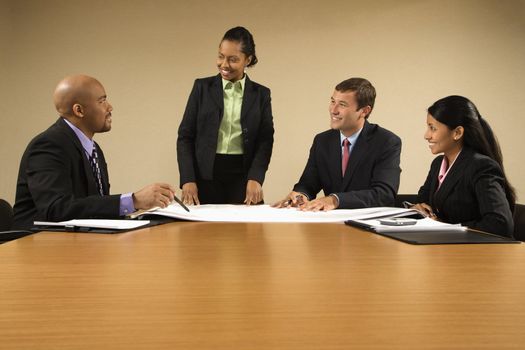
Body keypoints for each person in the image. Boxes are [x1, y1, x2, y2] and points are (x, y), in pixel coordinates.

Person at [12, 74, 177, 230]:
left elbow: (93, 207)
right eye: (102, 101)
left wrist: (144, 217)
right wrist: (133, 200)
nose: (110, 107)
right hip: (38, 245)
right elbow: (56, 209)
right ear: (79, 111)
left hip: (81, 241)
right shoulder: (48, 145)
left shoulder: (94, 148)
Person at [177, 26, 274, 206]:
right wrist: (187, 179)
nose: (224, 64)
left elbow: (265, 140)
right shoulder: (201, 88)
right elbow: (185, 137)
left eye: (232, 59)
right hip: (205, 178)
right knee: (202, 233)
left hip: (243, 178)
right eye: (221, 56)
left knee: (247, 232)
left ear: (248, 59)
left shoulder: (261, 94)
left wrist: (256, 178)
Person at [273, 77, 401, 211]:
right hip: (331, 224)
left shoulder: (387, 142)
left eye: (343, 104)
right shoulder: (322, 141)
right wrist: (300, 195)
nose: (333, 110)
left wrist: (335, 200)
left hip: (368, 225)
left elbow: (384, 195)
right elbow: (308, 184)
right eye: (333, 101)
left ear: (364, 111)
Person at [413, 95, 515, 237]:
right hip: (444, 249)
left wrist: (444, 227)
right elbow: (422, 201)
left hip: (479, 253)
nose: (427, 135)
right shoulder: (438, 164)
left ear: (457, 133)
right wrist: (418, 208)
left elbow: (500, 224)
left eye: (433, 128)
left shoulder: (481, 166)